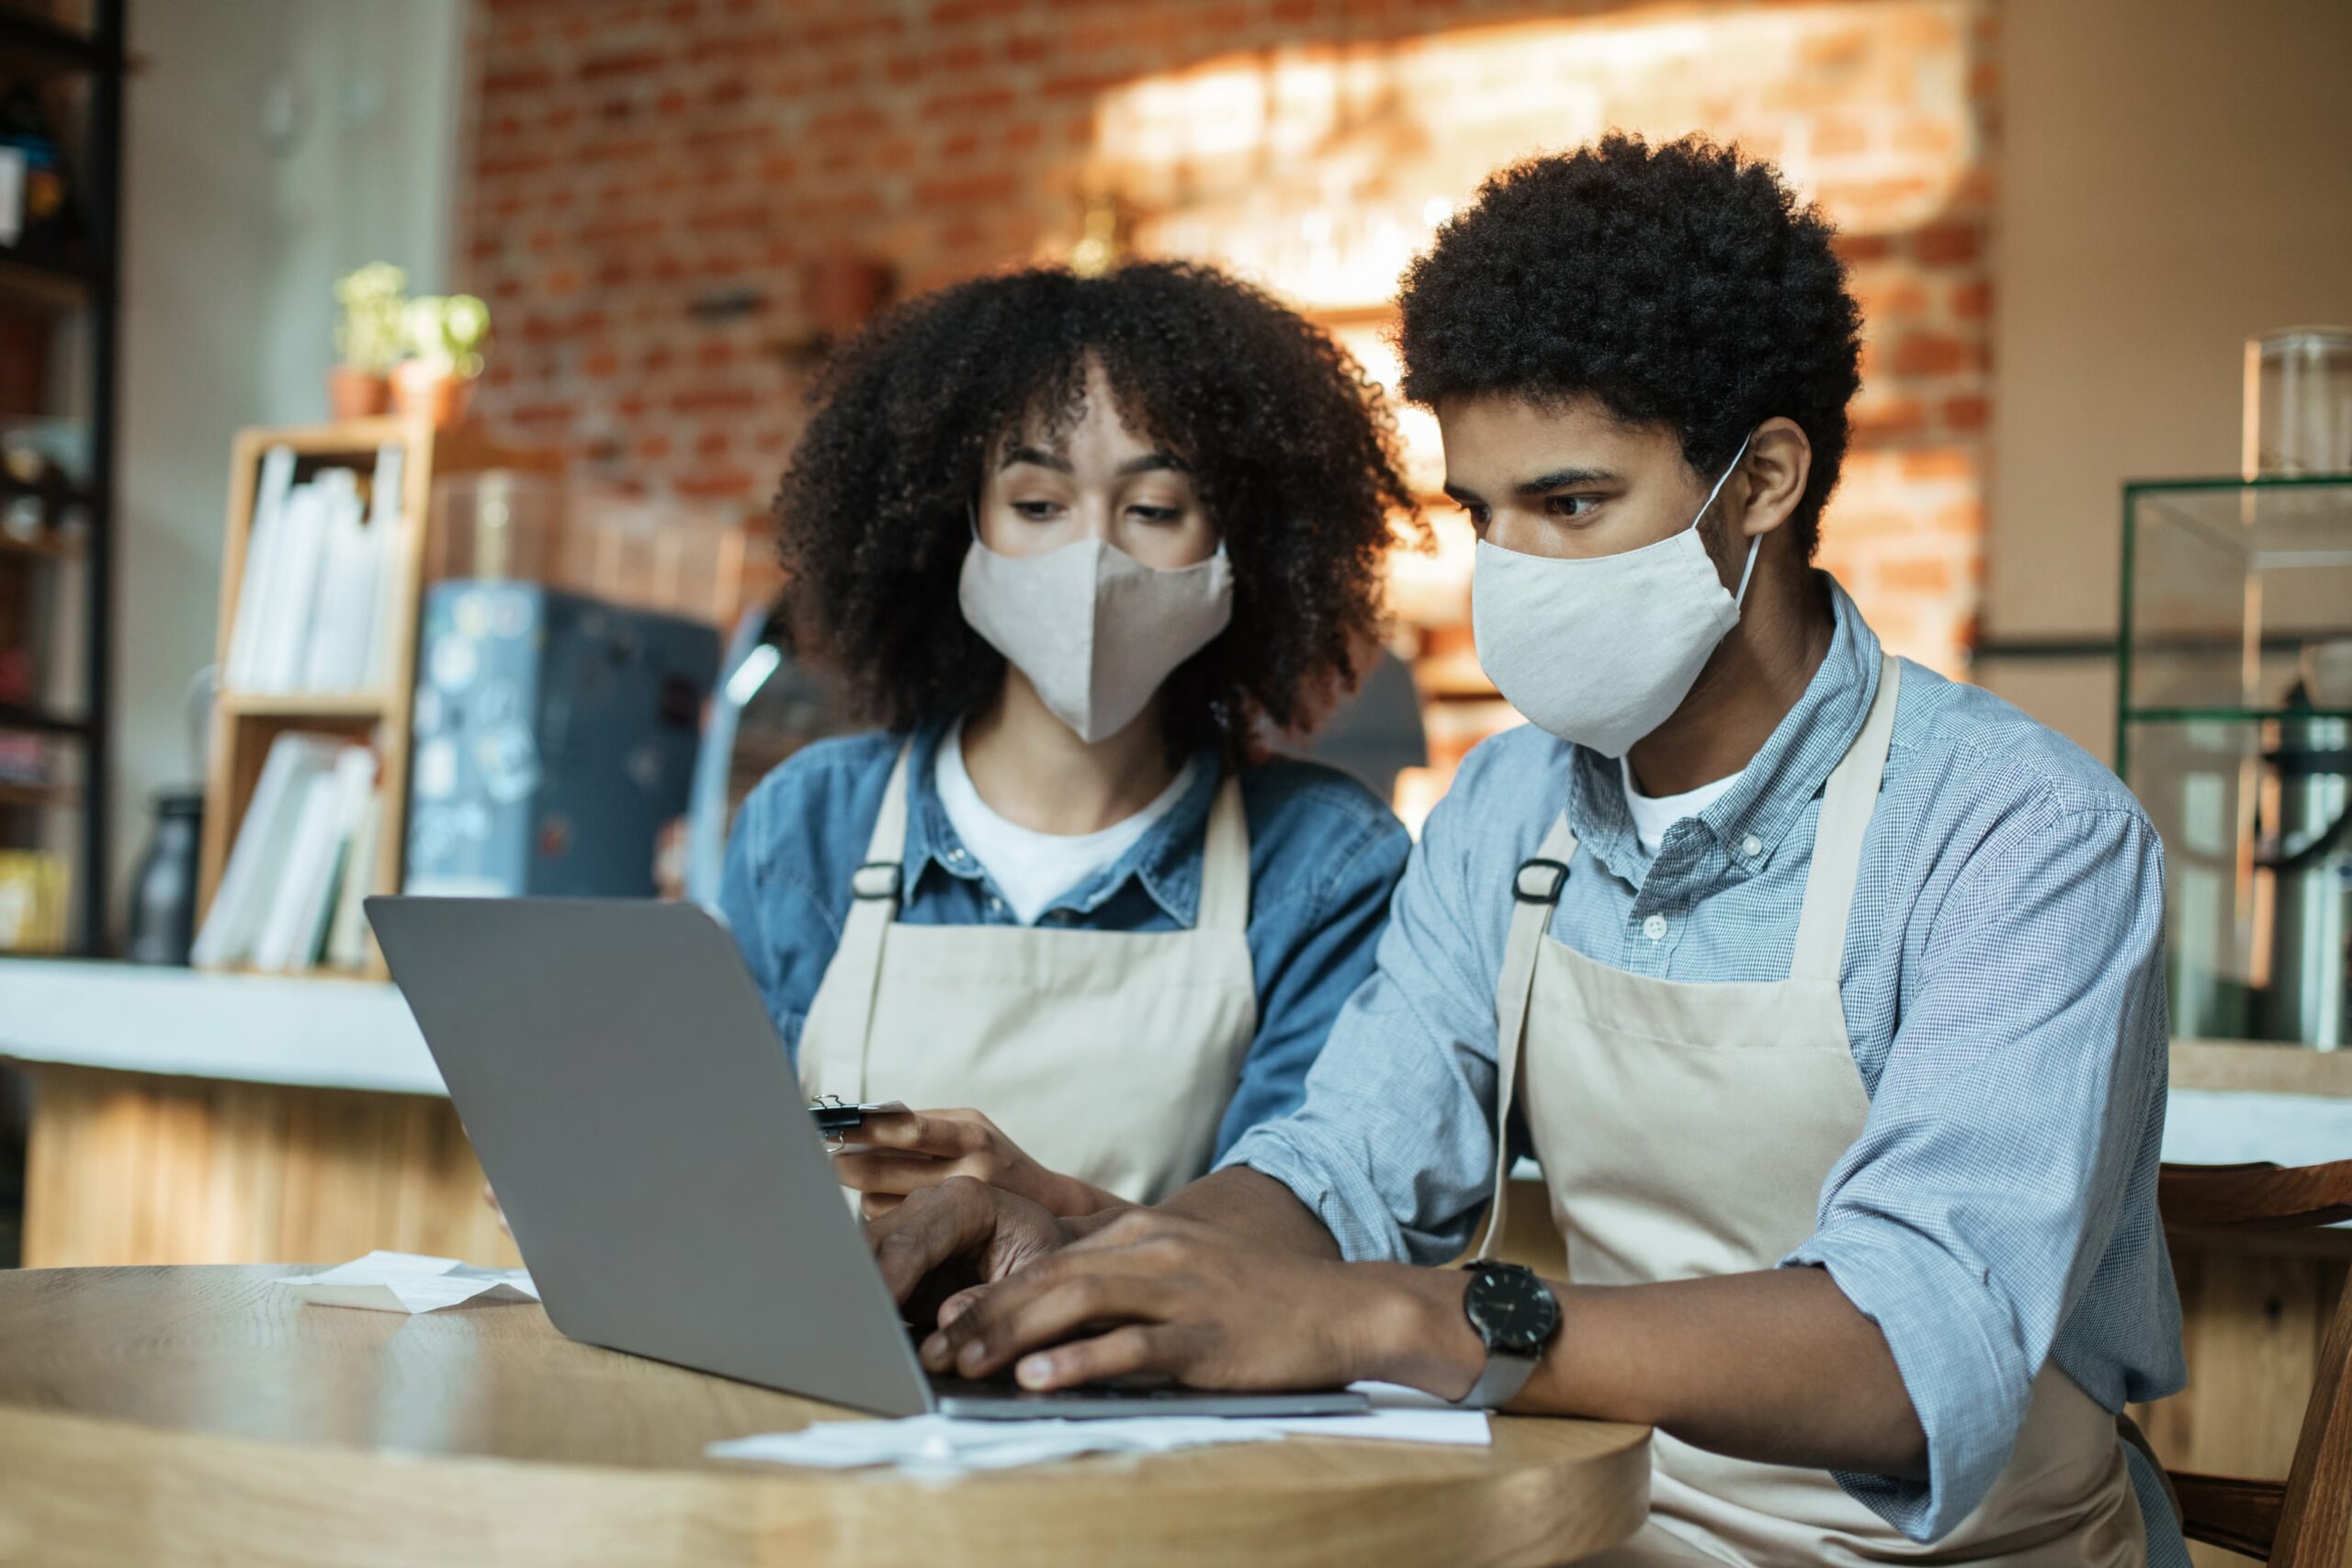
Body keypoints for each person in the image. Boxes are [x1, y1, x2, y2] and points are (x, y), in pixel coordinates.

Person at [865, 136, 2189, 1567]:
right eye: (1481, 515)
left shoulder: (2020, 835)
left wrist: (1405, 1313)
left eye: (1571, 505)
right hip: (1617, 1530)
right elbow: (1347, 1161)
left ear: (1764, 484)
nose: (1514, 572)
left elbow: (1911, 1345)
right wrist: (1128, 1269)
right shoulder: (1507, 810)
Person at [718, 260, 1418, 1217]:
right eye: (1038, 506)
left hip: (1140, 1374)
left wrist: (1036, 1209)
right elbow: (738, 1175)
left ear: (1242, 547)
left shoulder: (1325, 865)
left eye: (1154, 510)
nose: (1091, 557)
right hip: (833, 1366)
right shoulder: (808, 826)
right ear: (952, 526)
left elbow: (1301, 1236)